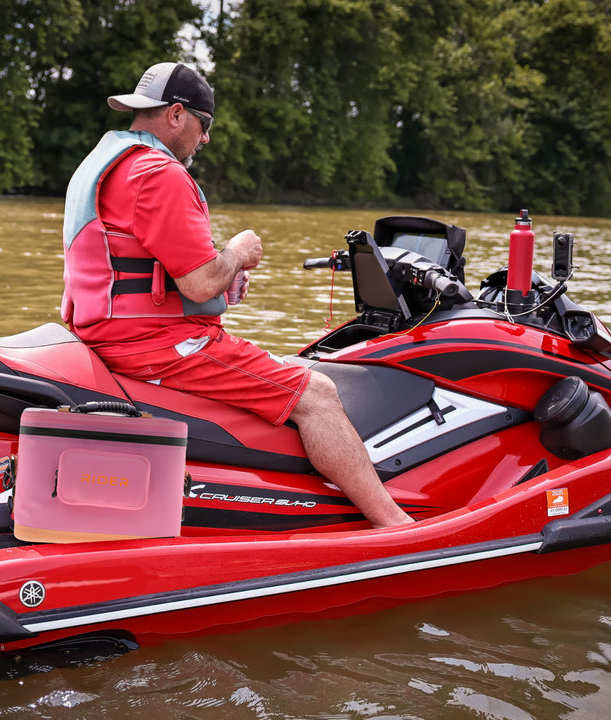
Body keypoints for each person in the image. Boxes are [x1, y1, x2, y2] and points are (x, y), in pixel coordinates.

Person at [61, 61, 412, 528]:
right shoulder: (158, 174)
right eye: (203, 127)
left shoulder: (107, 163)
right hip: (157, 347)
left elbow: (141, 265)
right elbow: (201, 282)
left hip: (109, 335)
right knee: (318, 393)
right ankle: (395, 525)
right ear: (177, 114)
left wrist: (222, 278)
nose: (204, 139)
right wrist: (237, 253)